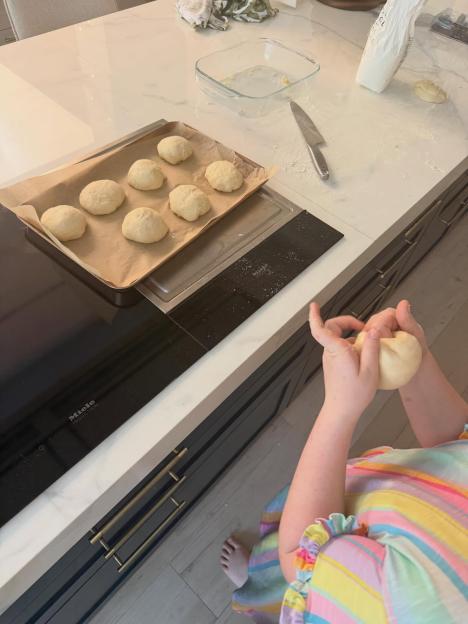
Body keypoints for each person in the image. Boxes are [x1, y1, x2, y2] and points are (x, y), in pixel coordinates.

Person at [220, 300, 468, 623]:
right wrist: (413, 360)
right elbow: (455, 446)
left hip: (313, 562)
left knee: (281, 583)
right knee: (269, 557)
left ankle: (257, 590)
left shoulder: (411, 605)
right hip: (342, 504)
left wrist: (339, 410)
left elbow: (300, 557)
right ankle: (257, 570)